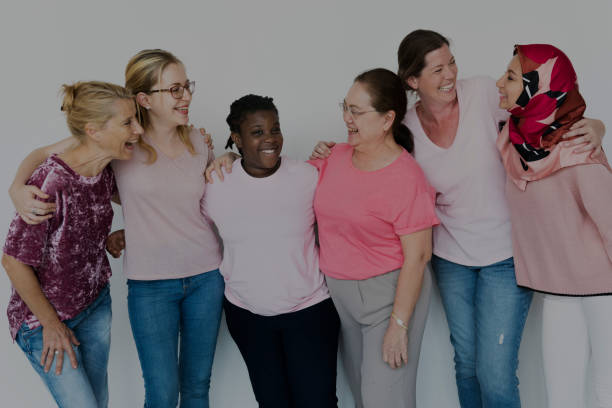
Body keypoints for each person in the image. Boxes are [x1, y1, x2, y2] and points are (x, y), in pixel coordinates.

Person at [311, 30, 605, 408]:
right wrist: (327, 150)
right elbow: (372, 159)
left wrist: (595, 125)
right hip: (451, 260)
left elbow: (541, 113)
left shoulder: (483, 93)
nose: (449, 74)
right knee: (466, 365)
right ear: (413, 81)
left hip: (506, 255)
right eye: (436, 69)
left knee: (495, 373)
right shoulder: (406, 131)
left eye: (451, 62)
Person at [9, 49, 223, 408]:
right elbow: (45, 156)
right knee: (162, 393)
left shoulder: (185, 142)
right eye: (175, 89)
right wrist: (16, 187)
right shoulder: (112, 151)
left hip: (187, 281)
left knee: (195, 386)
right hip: (137, 290)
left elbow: (193, 200)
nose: (186, 95)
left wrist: (229, 155)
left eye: (187, 86)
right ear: (145, 99)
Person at [2, 81, 142, 407]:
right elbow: (12, 261)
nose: (138, 130)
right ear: (93, 131)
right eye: (127, 123)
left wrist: (116, 236)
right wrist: (51, 325)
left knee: (98, 402)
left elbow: (142, 206)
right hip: (45, 321)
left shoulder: (104, 169)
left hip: (94, 306)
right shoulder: (51, 182)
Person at [201, 94, 339, 407]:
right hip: (248, 317)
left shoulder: (306, 177)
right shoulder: (216, 184)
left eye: (275, 129)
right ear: (237, 139)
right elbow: (185, 227)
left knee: (318, 402)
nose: (270, 139)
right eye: (258, 132)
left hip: (310, 312)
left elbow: (345, 213)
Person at [496, 43, 612, 408]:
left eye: (512, 77)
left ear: (540, 87)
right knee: (560, 397)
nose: (500, 82)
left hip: (603, 293)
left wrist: (597, 127)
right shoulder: (513, 139)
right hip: (558, 290)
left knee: (607, 391)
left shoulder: (579, 149)